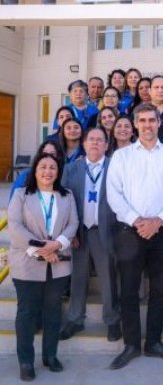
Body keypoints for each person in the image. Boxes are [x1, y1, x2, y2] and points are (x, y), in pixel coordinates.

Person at [106, 103, 163, 369]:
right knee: (129, 290)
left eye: (152, 120)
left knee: (159, 290)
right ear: (135, 124)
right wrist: (137, 221)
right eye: (142, 120)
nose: (147, 125)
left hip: (162, 231)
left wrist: (158, 220)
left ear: (159, 123)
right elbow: (114, 194)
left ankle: (153, 342)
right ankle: (131, 344)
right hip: (130, 232)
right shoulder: (122, 156)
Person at [8, 152, 78, 381]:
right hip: (27, 263)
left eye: (52, 167)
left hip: (58, 264)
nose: (48, 171)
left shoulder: (67, 196)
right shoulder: (21, 195)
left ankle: (50, 355)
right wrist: (42, 250)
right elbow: (15, 227)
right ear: (35, 171)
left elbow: (73, 224)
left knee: (53, 312)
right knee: (27, 313)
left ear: (58, 172)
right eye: (43, 167)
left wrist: (57, 245)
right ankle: (26, 361)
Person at [59, 127, 121, 343]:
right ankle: (75, 319)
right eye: (91, 139)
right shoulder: (71, 169)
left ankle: (112, 320)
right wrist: (69, 232)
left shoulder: (115, 167)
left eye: (99, 140)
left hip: (105, 230)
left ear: (106, 145)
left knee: (108, 278)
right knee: (77, 277)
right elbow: (64, 202)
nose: (95, 143)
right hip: (79, 232)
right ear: (84, 144)